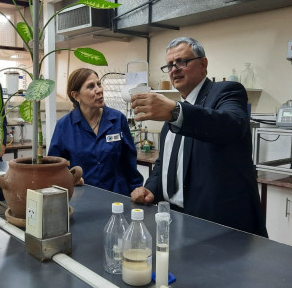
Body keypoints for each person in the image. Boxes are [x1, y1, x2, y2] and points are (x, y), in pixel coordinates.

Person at [130, 37, 268, 237]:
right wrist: (151, 188)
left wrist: (176, 111)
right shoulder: (175, 109)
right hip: (175, 219)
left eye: (182, 62)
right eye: (169, 65)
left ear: (203, 64)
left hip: (219, 225)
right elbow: (166, 159)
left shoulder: (226, 92)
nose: (174, 69)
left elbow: (231, 126)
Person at [48, 68, 143, 196]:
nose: (99, 90)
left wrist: (137, 190)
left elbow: (129, 162)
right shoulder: (64, 126)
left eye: (98, 84)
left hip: (118, 196)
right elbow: (55, 167)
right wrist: (69, 178)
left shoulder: (118, 120)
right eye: (91, 86)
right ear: (76, 95)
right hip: (83, 198)